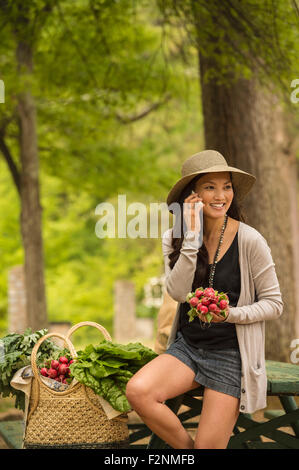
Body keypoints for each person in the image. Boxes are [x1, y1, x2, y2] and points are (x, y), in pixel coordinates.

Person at [126, 149, 284, 449]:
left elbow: (275, 304)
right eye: (210, 187)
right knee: (138, 391)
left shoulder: (250, 240)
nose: (220, 195)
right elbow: (177, 293)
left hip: (230, 354)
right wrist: (191, 239)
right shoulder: (174, 236)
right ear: (192, 195)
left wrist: (231, 315)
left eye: (226, 186)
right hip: (188, 348)